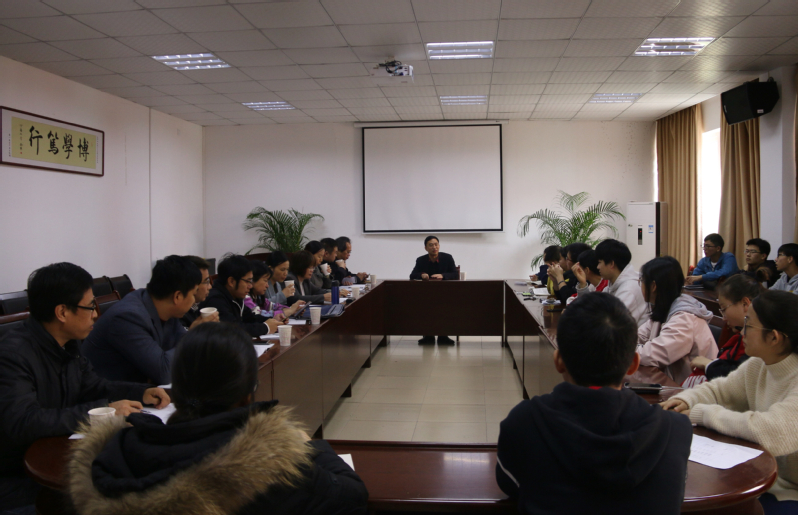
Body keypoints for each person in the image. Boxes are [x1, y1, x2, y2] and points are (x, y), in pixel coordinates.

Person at [67, 323, 369, 515]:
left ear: (177, 387)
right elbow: (352, 494)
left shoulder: (114, 455)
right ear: (248, 393)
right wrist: (311, 447)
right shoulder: (268, 467)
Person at [496, 293, 692, 515]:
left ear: (558, 361)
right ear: (633, 364)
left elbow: (509, 484)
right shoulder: (676, 430)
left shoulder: (523, 423)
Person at [0, 263, 169, 512]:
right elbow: (24, 422)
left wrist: (140, 393)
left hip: (60, 457)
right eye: (90, 306)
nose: (96, 314)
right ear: (62, 312)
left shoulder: (68, 344)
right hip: (21, 477)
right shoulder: (13, 354)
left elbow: (95, 387)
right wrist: (105, 413)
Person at [662, 290, 798, 514]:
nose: (741, 331)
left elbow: (771, 431)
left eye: (749, 325)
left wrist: (702, 413)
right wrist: (685, 400)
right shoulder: (759, 364)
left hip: (791, 489)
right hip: (765, 477)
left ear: (774, 338)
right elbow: (719, 390)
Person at [82, 255, 201, 384]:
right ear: (177, 296)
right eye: (194, 294)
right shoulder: (128, 317)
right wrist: (192, 336)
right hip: (109, 393)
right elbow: (164, 373)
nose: (194, 301)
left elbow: (182, 353)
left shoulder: (167, 310)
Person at [636, 257, 717, 385]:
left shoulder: (684, 317)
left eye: (641, 281)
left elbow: (655, 354)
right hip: (675, 383)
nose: (640, 285)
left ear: (653, 286)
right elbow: (639, 335)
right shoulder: (665, 307)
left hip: (696, 389)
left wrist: (624, 351)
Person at [690, 274, 763, 382]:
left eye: (724, 309)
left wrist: (709, 364)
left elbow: (740, 377)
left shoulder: (759, 340)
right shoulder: (740, 334)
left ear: (745, 304)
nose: (723, 318)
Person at [200, 254, 283, 338]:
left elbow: (250, 318)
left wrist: (273, 320)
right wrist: (266, 327)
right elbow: (231, 329)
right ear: (231, 281)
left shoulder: (235, 295)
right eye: (247, 281)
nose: (250, 286)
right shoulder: (216, 299)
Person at [410, 236, 458, 345]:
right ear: (426, 248)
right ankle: (428, 336)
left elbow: (455, 274)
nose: (434, 247)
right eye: (431, 245)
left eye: (436, 244)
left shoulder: (447, 258)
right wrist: (422, 275)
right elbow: (412, 275)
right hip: (427, 294)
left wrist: (443, 275)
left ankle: (443, 336)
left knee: (445, 309)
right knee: (425, 308)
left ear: (439, 246)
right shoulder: (421, 260)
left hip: (445, 293)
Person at [595, 239, 648, 326]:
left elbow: (613, 323)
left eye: (599, 262)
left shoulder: (629, 290)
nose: (598, 267)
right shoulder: (612, 284)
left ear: (611, 264)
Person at [179, 255, 220, 329]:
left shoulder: (196, 306)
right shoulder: (178, 313)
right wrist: (194, 331)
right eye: (206, 281)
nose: (210, 287)